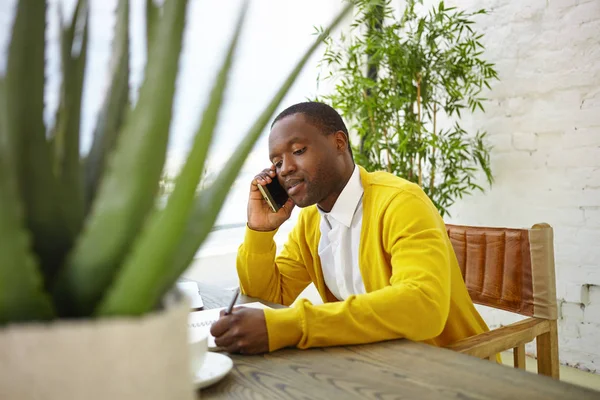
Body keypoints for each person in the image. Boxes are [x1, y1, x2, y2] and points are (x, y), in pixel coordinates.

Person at [210, 101, 490, 355]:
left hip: (451, 364)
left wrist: (295, 325)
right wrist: (259, 232)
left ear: (339, 143)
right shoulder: (311, 222)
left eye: (298, 151)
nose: (284, 169)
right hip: (377, 362)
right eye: (277, 162)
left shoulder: (401, 202)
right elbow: (269, 298)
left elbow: (423, 306)